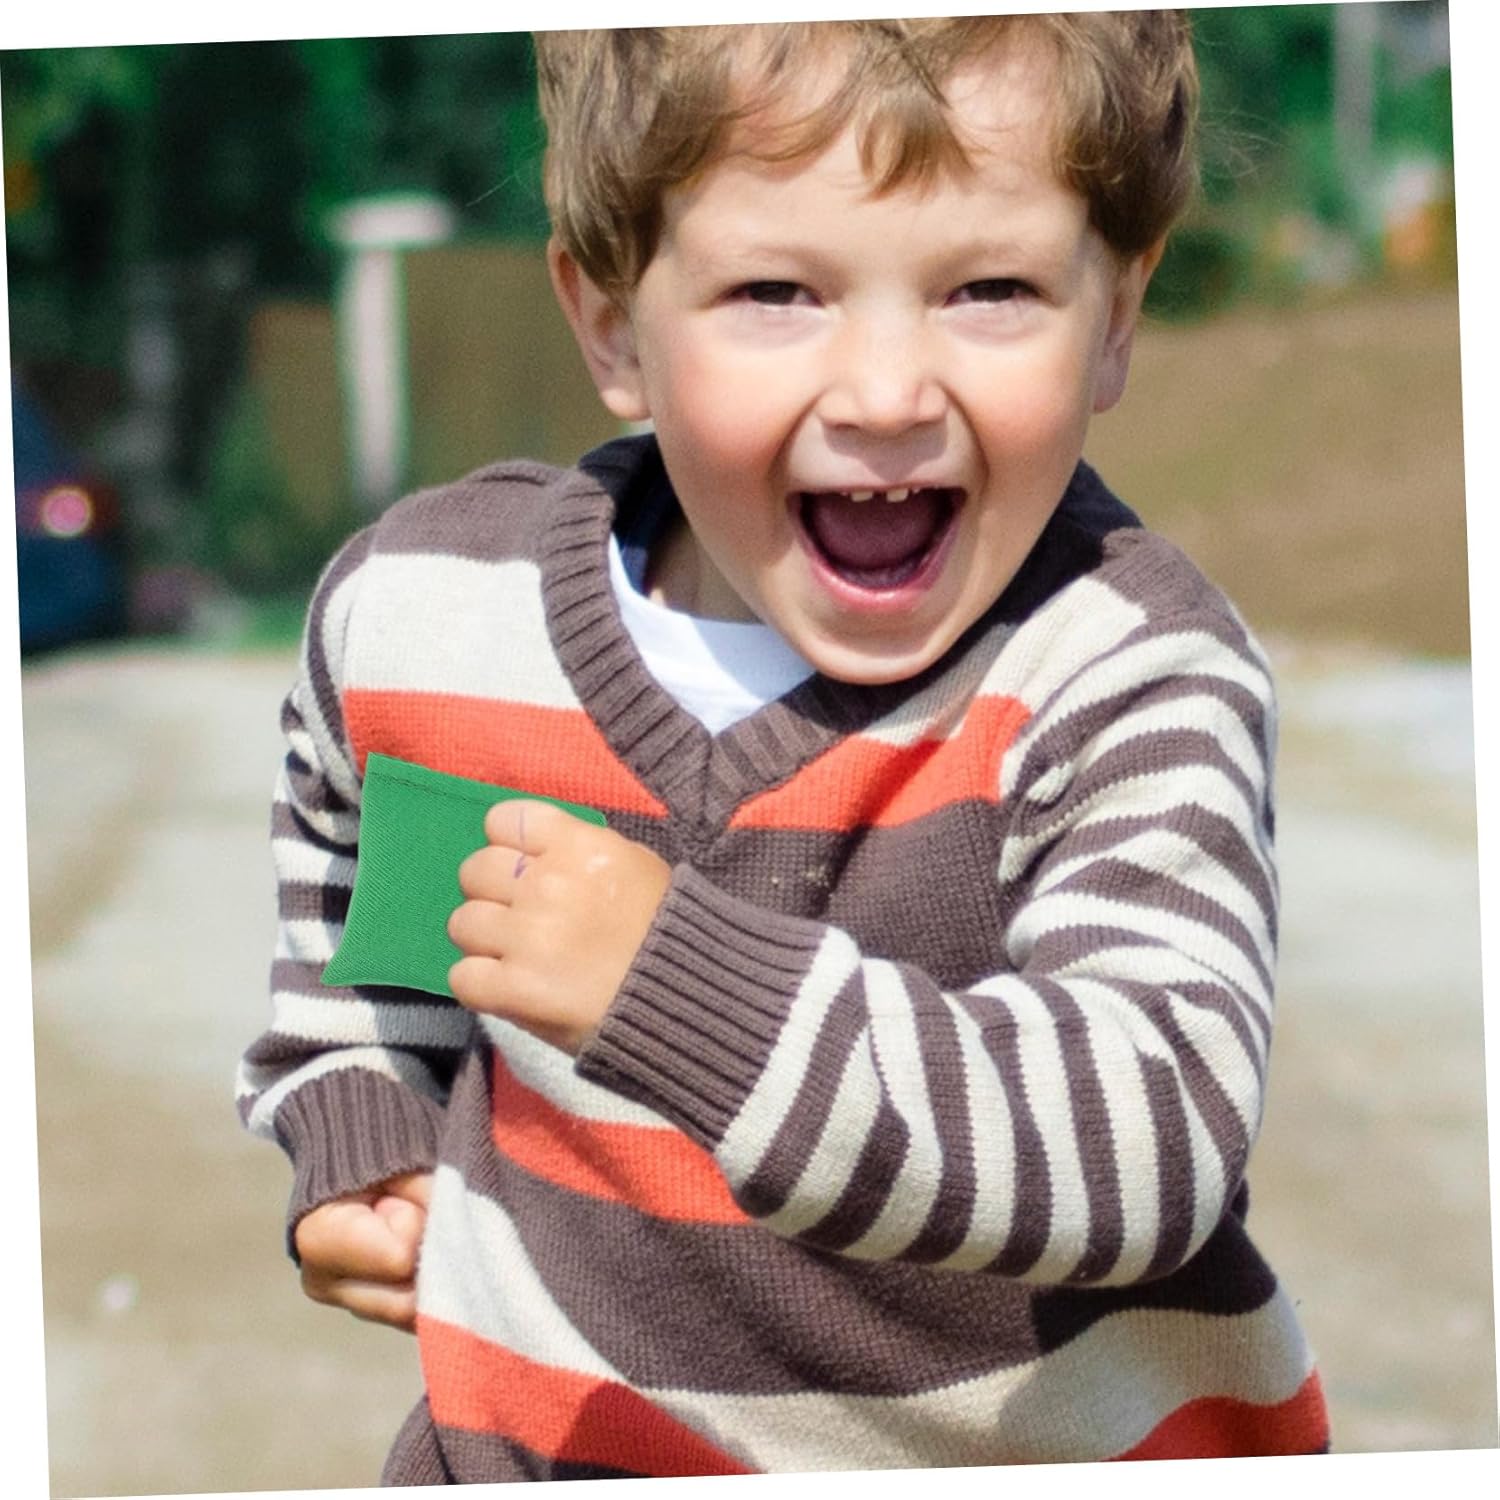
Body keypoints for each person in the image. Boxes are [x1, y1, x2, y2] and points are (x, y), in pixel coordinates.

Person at [237, 14, 1331, 1482]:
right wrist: (366, 1107)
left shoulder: (1121, 671)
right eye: (775, 292)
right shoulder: (437, 620)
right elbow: (349, 827)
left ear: (1117, 317)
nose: (885, 395)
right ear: (612, 324)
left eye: (991, 289)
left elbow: (1152, 1134)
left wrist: (672, 987)